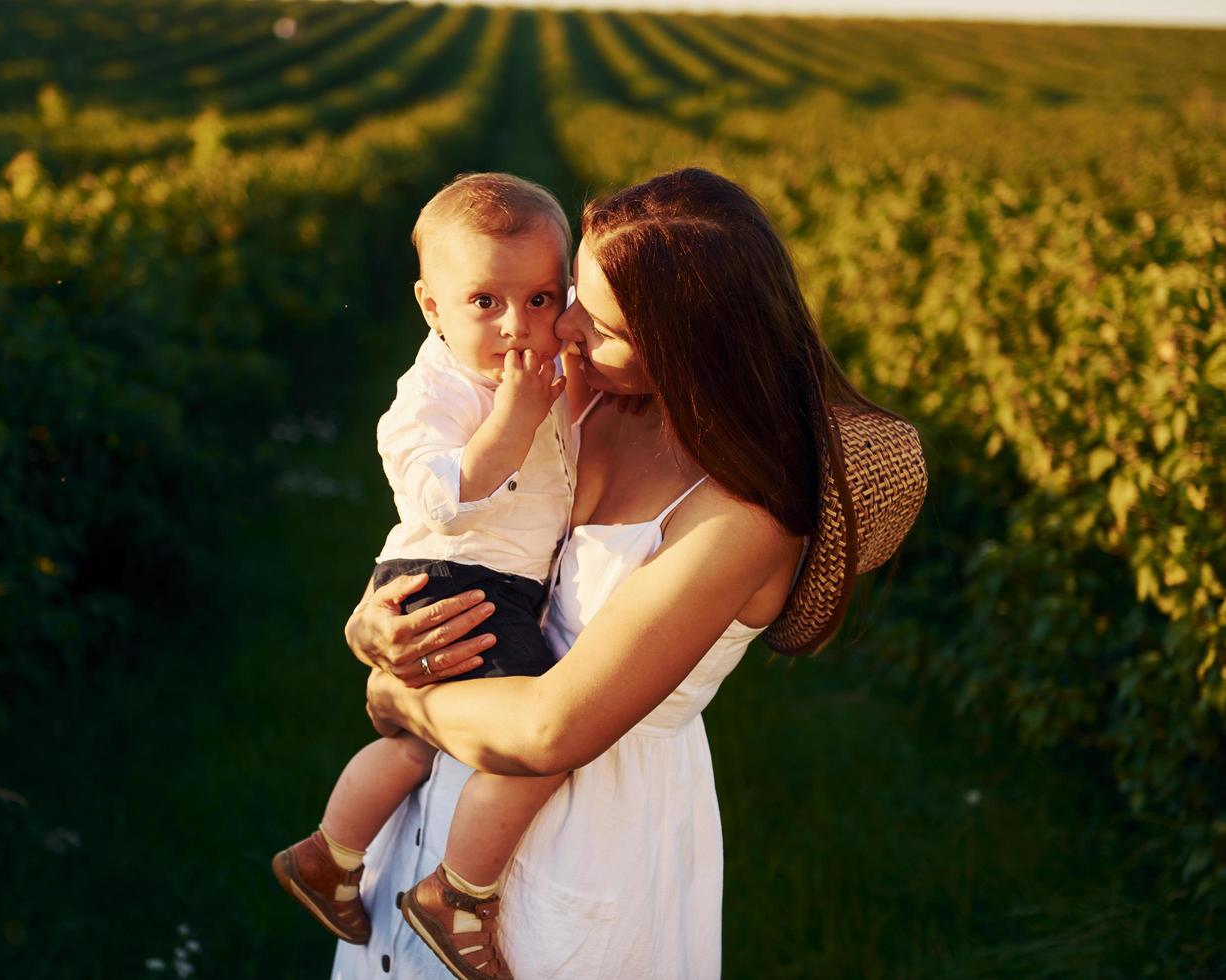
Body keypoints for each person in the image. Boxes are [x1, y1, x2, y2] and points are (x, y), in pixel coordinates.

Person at [331, 167, 927, 979]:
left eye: (600, 322)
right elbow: (465, 535)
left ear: (688, 348)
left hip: (586, 837)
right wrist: (372, 622)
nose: (563, 326)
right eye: (571, 293)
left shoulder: (740, 516)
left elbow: (552, 728)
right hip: (444, 798)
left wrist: (399, 695)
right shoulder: (587, 402)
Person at [273, 173, 582, 979]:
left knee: (415, 741)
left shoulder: (536, 372)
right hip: (457, 574)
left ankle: (332, 856)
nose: (518, 326)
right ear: (431, 307)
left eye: (543, 299)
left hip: (473, 578)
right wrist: (512, 422)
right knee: (533, 741)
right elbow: (436, 493)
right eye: (486, 302)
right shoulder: (437, 389)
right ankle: (461, 893)